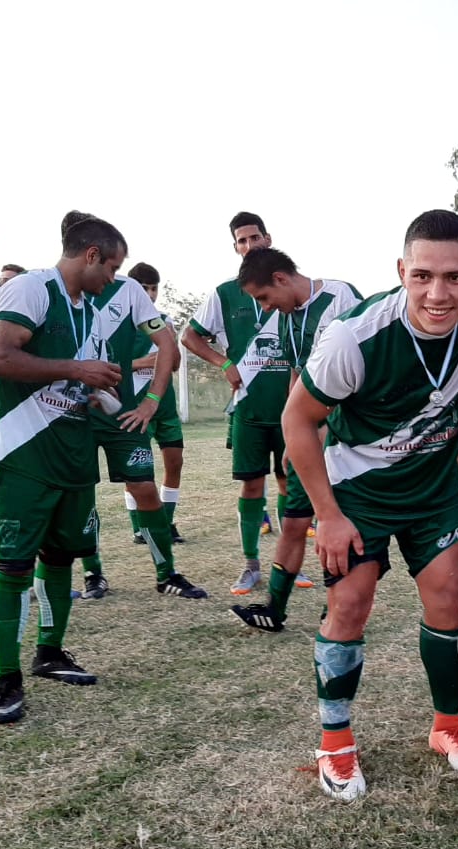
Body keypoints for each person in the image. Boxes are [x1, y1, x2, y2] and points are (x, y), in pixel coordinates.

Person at [283, 210, 458, 801]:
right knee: (350, 605)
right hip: (358, 493)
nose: (438, 293)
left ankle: (448, 726)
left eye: (455, 277)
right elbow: (297, 420)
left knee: (447, 596)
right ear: (400, 271)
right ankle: (335, 742)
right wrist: (327, 516)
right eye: (422, 276)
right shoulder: (352, 337)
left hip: (435, 489)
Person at [0, 215, 131, 724]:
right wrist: (76, 369)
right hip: (26, 454)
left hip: (74, 455)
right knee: (14, 567)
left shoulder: (91, 312)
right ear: (91, 255)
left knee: (62, 556)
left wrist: (95, 390)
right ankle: (7, 678)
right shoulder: (31, 288)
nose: (112, 277)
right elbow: (0, 359)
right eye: (111, 267)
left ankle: (50, 651)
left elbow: (75, 377)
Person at [52, 214, 205, 603]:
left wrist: (151, 401)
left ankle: (166, 573)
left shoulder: (129, 291)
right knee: (80, 498)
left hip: (121, 413)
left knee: (144, 489)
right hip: (70, 415)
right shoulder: (46, 289)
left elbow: (167, 345)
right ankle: (93, 574)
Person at [230, 247, 361, 633]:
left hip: (346, 438)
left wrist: (324, 428)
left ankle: (338, 608)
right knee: (293, 521)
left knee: (338, 524)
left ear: (281, 278)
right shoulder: (286, 319)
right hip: (311, 438)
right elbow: (297, 376)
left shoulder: (341, 298)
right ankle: (274, 608)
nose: (266, 307)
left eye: (264, 297)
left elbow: (362, 370)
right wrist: (294, 434)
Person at [182, 213, 292, 595]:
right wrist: (224, 364)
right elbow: (189, 336)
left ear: (268, 239)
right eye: (242, 241)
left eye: (254, 238)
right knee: (251, 486)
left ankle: (288, 563)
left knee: (290, 483)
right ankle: (251, 565)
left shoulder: (290, 286)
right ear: (235, 247)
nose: (249, 245)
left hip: (292, 409)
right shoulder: (225, 293)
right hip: (249, 407)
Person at [125, 262, 187, 545]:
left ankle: (166, 522)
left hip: (165, 406)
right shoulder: (122, 323)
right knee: (138, 469)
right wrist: (141, 363)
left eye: (154, 288)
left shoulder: (163, 320)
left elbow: (174, 364)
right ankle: (140, 527)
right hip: (136, 406)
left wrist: (170, 343)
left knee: (175, 462)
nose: (150, 294)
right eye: (144, 288)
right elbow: (110, 364)